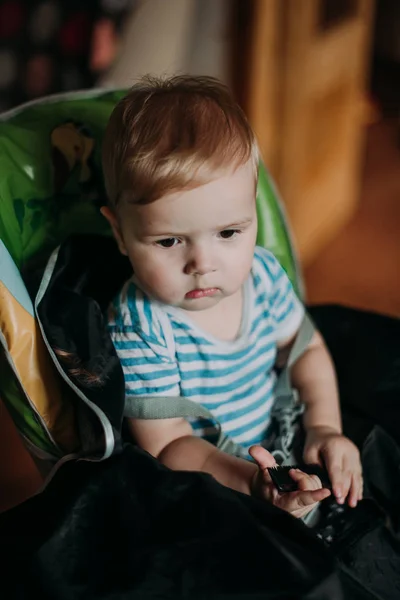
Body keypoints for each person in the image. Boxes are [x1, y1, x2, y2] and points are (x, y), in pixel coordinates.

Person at [100, 75, 363, 520]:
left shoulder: (261, 274)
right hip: (211, 476)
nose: (203, 263)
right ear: (120, 234)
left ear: (252, 211)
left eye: (227, 233)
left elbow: (306, 350)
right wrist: (250, 482)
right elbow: (168, 444)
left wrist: (324, 426)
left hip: (284, 431)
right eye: (168, 241)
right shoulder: (139, 324)